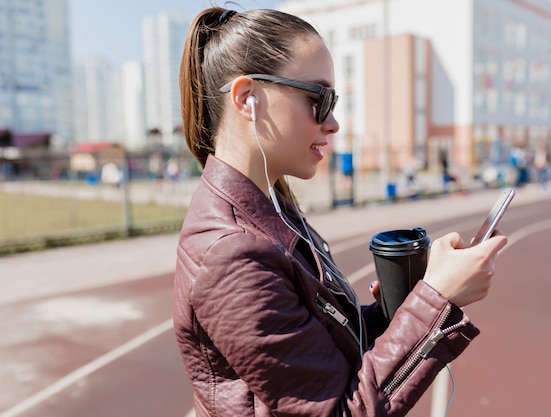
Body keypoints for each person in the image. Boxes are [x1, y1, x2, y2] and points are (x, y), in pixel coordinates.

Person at [174, 7, 508, 417]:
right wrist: (435, 301)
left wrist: (397, 311)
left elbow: (320, 352)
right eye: (319, 99)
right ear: (247, 99)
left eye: (334, 101)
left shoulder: (268, 206)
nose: (333, 123)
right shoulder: (231, 252)